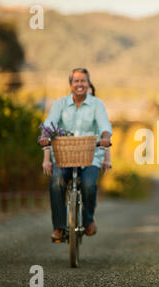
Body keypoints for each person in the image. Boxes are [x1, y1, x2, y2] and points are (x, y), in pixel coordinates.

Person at [39, 68, 112, 241]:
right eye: (76, 81)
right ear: (70, 84)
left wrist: (105, 137)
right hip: (64, 157)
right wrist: (44, 136)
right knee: (56, 182)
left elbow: (105, 125)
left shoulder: (97, 104)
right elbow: (50, 123)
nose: (80, 84)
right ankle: (58, 227)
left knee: (88, 185)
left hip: (91, 156)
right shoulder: (59, 104)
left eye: (83, 81)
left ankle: (88, 220)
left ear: (88, 83)